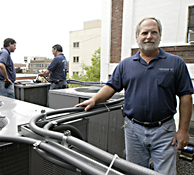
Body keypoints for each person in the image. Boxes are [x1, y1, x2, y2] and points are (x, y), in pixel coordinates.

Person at [75, 17, 193, 175]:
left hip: (164, 130)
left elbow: (186, 97)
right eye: (144, 33)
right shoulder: (126, 64)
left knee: (165, 173)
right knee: (135, 171)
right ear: (137, 37)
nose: (149, 36)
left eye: (154, 32)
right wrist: (94, 99)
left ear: (160, 36)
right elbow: (111, 87)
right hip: (133, 129)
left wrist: (183, 130)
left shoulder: (175, 63)